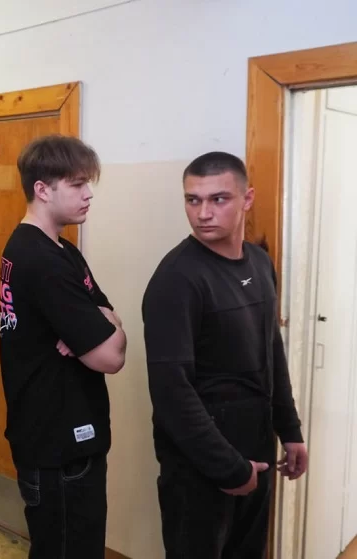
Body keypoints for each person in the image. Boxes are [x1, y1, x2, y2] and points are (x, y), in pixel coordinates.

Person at [142, 152, 308, 559]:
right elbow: (171, 391)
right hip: (199, 466)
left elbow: (270, 350)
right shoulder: (176, 279)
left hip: (256, 450)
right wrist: (227, 468)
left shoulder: (260, 263)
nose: (203, 213)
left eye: (219, 199)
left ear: (247, 199)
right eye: (193, 200)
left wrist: (289, 429)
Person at [0, 135, 126, 559]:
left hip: (63, 440)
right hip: (59, 447)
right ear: (42, 189)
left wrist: (102, 322)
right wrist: (100, 327)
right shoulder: (40, 259)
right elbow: (111, 357)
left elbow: (111, 315)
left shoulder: (62, 250)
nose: (88, 194)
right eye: (77, 184)